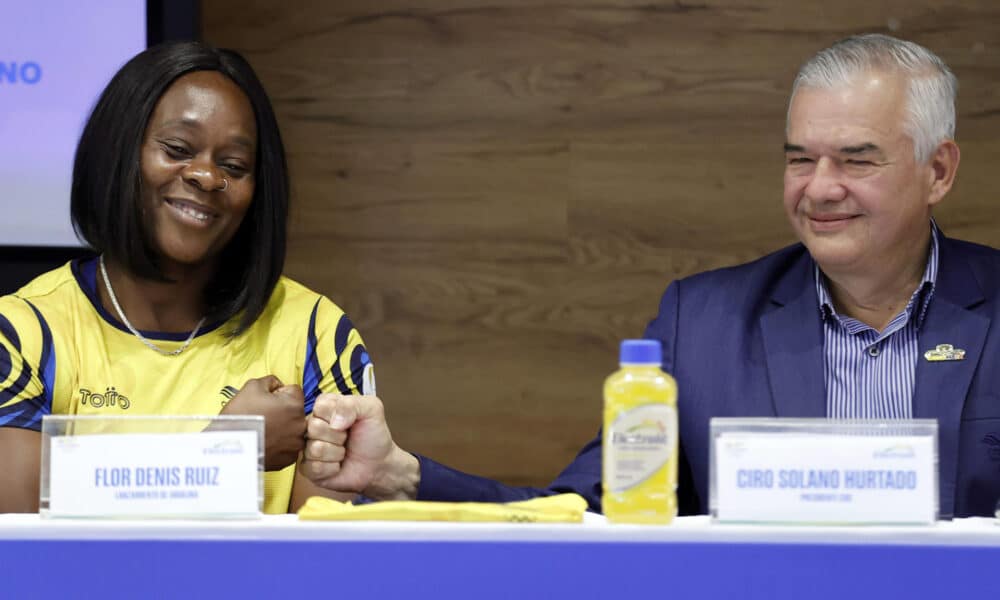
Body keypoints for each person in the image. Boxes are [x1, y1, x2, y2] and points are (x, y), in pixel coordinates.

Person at [299, 33, 1000, 518]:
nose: (818, 189)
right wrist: (400, 474)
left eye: (856, 159)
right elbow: (590, 510)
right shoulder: (702, 324)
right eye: (799, 159)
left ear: (937, 171)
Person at [0, 41, 374, 513]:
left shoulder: (315, 334)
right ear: (118, 152)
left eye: (233, 166)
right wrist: (223, 451)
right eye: (178, 149)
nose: (205, 176)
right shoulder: (20, 333)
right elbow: (19, 545)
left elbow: (328, 562)